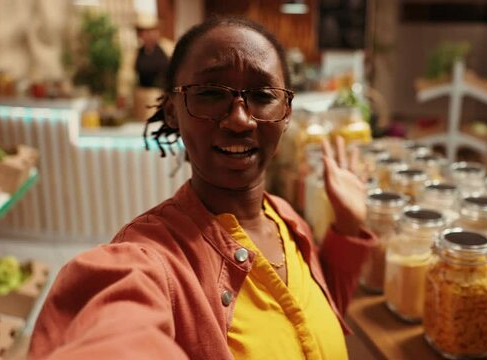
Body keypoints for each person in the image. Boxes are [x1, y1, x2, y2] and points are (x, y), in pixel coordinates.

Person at [29, 16, 375, 359]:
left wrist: (346, 226)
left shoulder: (285, 218)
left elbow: (309, 321)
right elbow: (113, 329)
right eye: (210, 93)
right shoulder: (150, 260)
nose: (239, 119)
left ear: (286, 113)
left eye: (262, 94)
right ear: (172, 112)